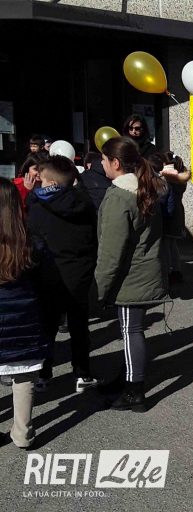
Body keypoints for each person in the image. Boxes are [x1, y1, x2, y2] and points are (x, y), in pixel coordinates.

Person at [95, 137, 167, 412]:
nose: (101, 163)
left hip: (131, 276)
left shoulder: (120, 196)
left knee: (130, 331)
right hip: (144, 271)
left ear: (115, 163)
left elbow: (111, 251)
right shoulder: (145, 188)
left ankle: (134, 389)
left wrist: (99, 289)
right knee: (132, 330)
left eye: (104, 159)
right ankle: (128, 375)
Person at [25, 156, 98, 393]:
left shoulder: (38, 206)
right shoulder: (85, 203)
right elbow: (92, 239)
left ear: (51, 182)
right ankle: (82, 373)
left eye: (42, 180)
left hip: (48, 274)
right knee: (79, 326)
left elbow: (33, 242)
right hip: (79, 273)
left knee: (47, 327)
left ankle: (43, 374)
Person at [0, 178, 51, 449]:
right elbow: (45, 282)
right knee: (23, 376)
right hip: (24, 319)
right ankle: (23, 433)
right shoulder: (31, 242)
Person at [149, 152, 191, 284]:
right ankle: (176, 270)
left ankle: (169, 271)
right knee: (172, 245)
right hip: (177, 213)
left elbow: (168, 201)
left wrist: (165, 216)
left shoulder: (169, 181)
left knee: (166, 246)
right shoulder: (179, 179)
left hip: (169, 216)